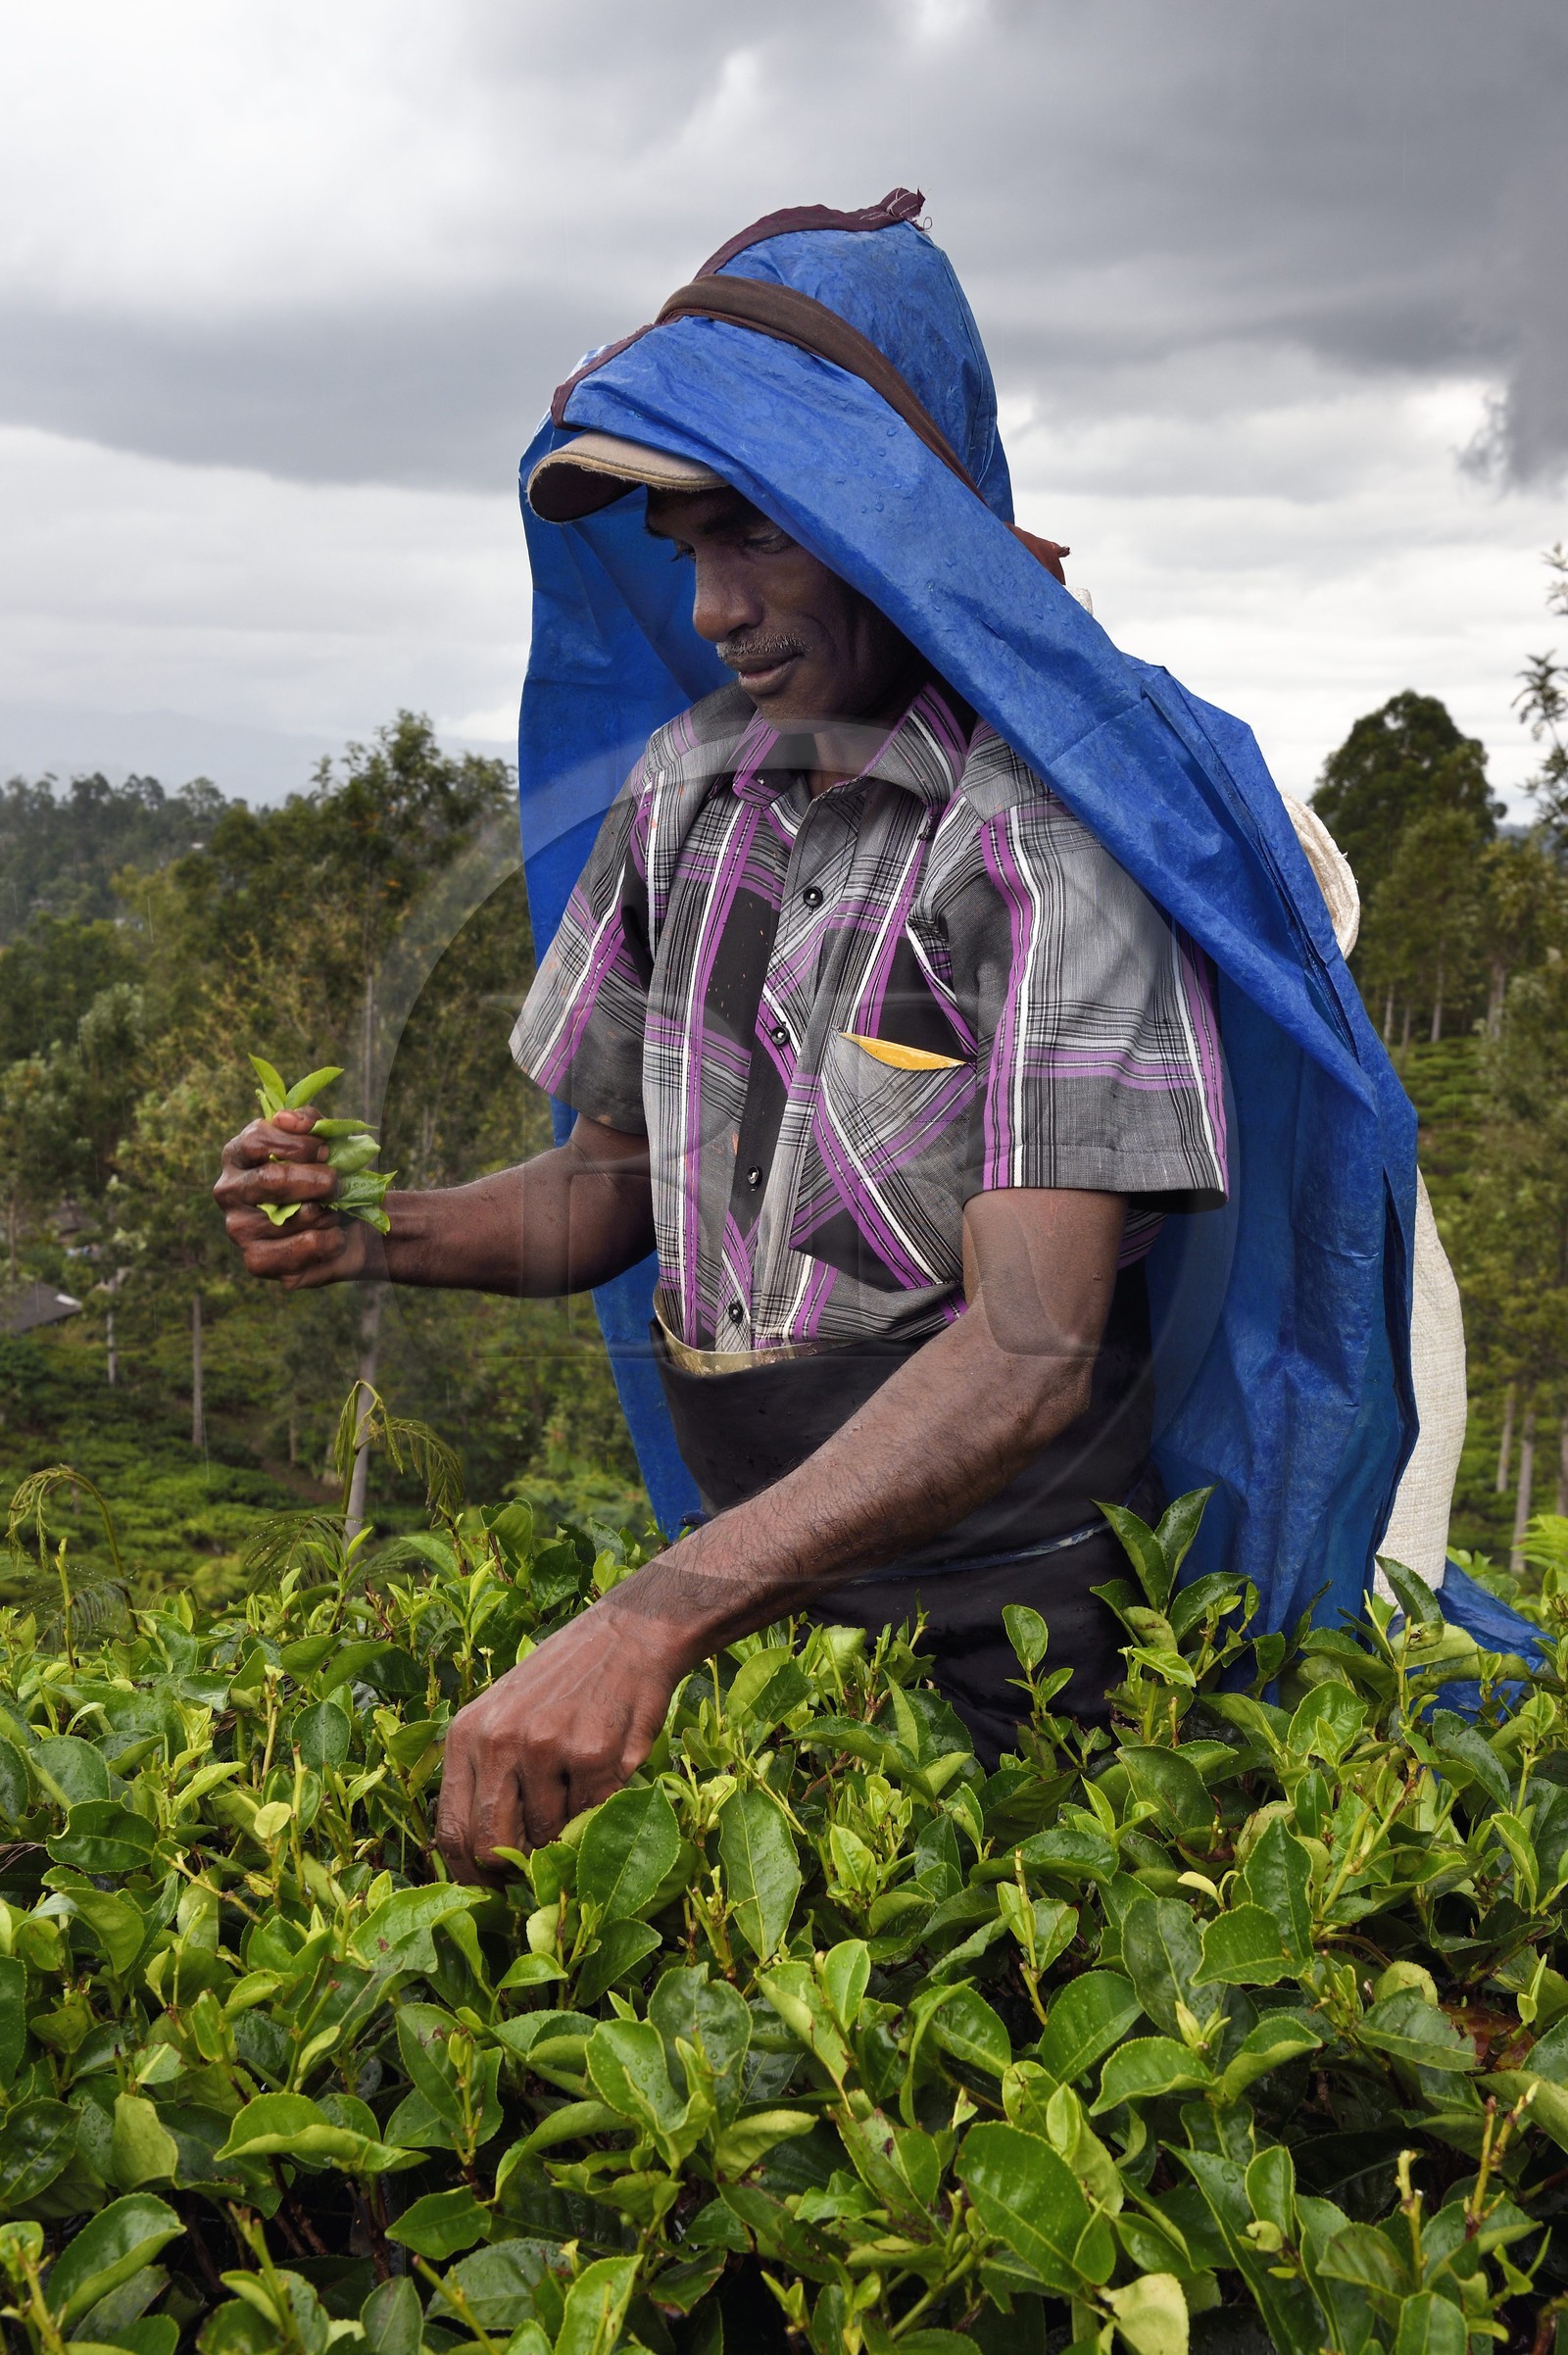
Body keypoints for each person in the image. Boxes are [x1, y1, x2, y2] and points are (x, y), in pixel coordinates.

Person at [216, 192, 1425, 1876]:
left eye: (758, 536)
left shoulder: (1042, 845)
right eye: (688, 548)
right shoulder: (682, 799)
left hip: (1021, 1648)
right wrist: (379, 1232)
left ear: (892, 524)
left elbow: (1026, 1352)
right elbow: (613, 1187)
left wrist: (651, 1616)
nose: (714, 607)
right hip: (765, 1612)